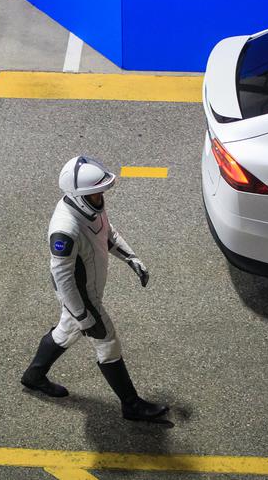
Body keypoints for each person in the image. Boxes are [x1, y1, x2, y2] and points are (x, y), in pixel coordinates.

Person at [20, 156, 168, 422]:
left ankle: (34, 376)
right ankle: (131, 405)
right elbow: (63, 278)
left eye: (100, 192)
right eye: (96, 193)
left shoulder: (90, 205)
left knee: (64, 332)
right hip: (81, 295)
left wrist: (132, 259)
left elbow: (107, 233)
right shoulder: (64, 230)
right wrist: (84, 316)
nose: (101, 196)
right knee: (107, 343)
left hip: (88, 290)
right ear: (79, 195)